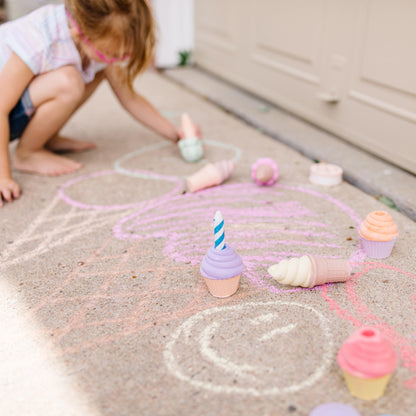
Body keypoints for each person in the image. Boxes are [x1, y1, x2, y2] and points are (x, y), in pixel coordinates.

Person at [0, 0, 183, 206]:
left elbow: (130, 98)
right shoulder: (40, 39)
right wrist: (3, 176)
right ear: (81, 34)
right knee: (69, 81)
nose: (118, 60)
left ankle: (46, 138)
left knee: (92, 74)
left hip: (18, 109)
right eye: (114, 55)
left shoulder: (96, 35)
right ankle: (28, 154)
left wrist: (175, 134)